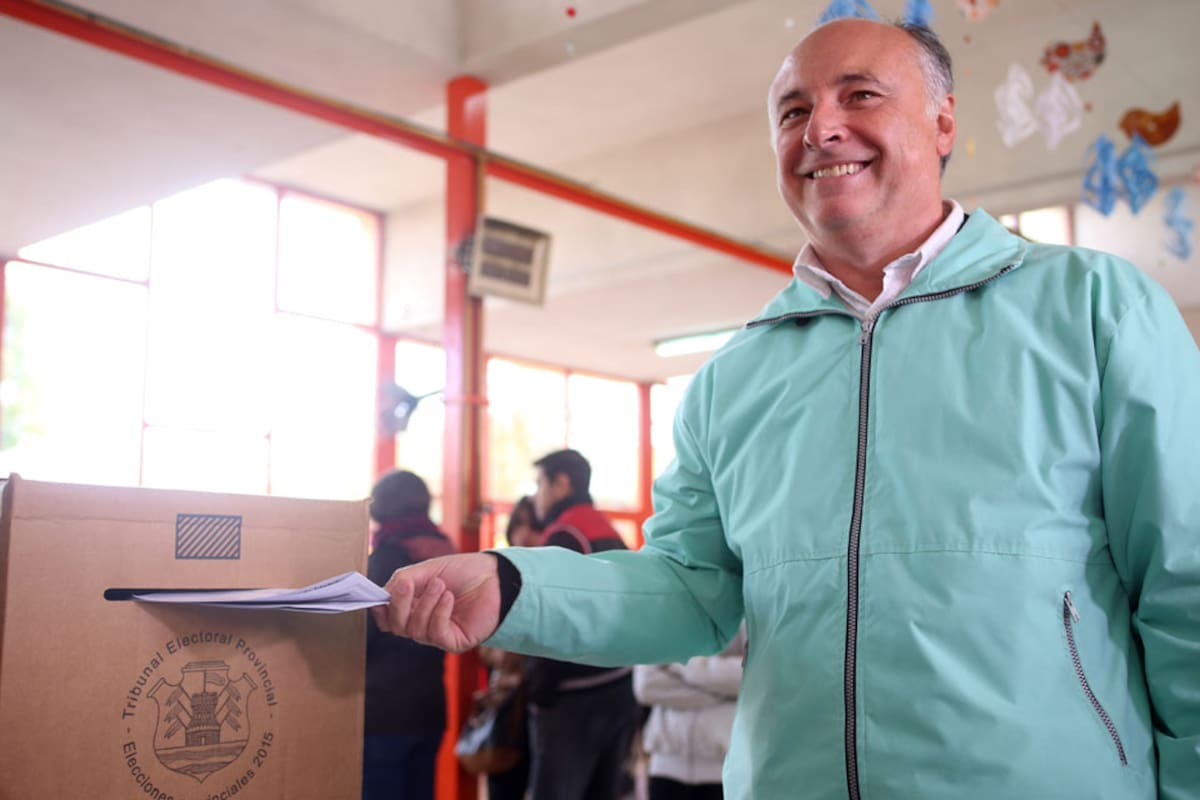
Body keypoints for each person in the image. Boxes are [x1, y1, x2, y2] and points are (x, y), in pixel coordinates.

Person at [373, 18, 1200, 799]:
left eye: (860, 95)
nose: (821, 129)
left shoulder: (1092, 310)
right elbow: (691, 590)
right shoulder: (737, 377)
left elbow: (1185, 585)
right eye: (793, 111)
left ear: (944, 122)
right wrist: (513, 585)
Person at [522, 449, 642, 800]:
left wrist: (539, 688)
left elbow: (548, 618)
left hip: (572, 697)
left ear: (561, 484)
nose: (536, 496)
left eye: (539, 484)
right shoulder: (606, 530)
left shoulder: (566, 534)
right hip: (618, 687)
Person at [362, 469, 456, 800]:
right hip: (429, 705)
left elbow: (362, 633)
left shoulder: (388, 557)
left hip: (384, 710)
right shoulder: (447, 555)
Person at [476, 496, 543, 800]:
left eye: (532, 526)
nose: (524, 534)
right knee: (503, 783)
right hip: (507, 701)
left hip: (544, 701)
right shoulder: (500, 574)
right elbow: (484, 646)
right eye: (518, 525)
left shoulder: (553, 579)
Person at [633, 625, 746, 800]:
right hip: (664, 767)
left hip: (723, 769)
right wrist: (722, 693)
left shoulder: (747, 614)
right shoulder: (663, 615)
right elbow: (645, 685)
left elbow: (749, 676)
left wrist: (681, 662)